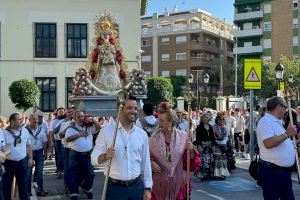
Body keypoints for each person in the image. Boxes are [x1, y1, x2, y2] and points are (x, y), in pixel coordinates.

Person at [91, 96, 152, 200]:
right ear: (120, 109)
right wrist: (105, 156)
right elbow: (93, 158)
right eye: (129, 108)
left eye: (135, 108)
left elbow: (145, 163)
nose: (134, 111)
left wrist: (148, 187)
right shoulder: (107, 132)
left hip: (136, 187)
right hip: (115, 189)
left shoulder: (142, 134)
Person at [149, 102, 200, 200]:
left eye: (162, 121)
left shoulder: (183, 137)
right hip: (158, 187)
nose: (159, 124)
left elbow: (192, 163)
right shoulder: (153, 139)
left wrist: (191, 152)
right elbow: (146, 158)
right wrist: (151, 162)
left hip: (178, 187)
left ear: (170, 122)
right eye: (158, 121)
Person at [256, 96, 297, 200]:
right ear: (279, 106)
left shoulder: (276, 122)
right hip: (272, 171)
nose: (286, 111)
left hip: (282, 172)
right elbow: (268, 143)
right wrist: (287, 134)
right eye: (285, 108)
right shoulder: (266, 121)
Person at [2, 112, 33, 200]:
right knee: (7, 186)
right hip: (8, 163)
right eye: (19, 119)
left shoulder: (25, 131)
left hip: (22, 162)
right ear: (12, 121)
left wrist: (30, 158)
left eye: (21, 119)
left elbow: (28, 145)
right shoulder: (4, 133)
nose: (21, 121)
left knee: (23, 185)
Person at [65, 110, 95, 200]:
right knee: (74, 175)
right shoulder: (71, 128)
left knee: (91, 174)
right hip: (75, 155)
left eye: (82, 116)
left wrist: (92, 120)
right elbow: (67, 139)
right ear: (74, 118)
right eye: (78, 116)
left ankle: (86, 188)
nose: (80, 118)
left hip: (87, 155)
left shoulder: (89, 127)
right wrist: (79, 134)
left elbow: (99, 128)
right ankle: (74, 194)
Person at [25, 114, 48, 196]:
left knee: (39, 172)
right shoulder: (25, 130)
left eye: (36, 119)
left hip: (39, 152)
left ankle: (40, 190)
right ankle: (28, 191)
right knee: (28, 172)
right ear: (29, 120)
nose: (35, 120)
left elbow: (44, 141)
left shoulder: (41, 130)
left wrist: (45, 153)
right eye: (33, 119)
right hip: (28, 153)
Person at [193, 113, 215, 180]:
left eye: (207, 117)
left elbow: (212, 137)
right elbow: (198, 138)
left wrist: (213, 145)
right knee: (203, 160)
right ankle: (202, 175)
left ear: (209, 119)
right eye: (204, 117)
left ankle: (208, 174)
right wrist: (199, 146)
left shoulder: (210, 126)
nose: (205, 119)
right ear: (202, 119)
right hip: (202, 145)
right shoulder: (199, 127)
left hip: (209, 146)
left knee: (209, 160)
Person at [49, 107, 65, 178]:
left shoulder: (66, 120)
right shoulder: (54, 121)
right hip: (58, 141)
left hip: (65, 141)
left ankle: (63, 169)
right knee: (59, 156)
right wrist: (52, 141)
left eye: (62, 112)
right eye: (60, 112)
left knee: (64, 156)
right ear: (57, 113)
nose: (61, 113)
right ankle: (59, 170)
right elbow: (50, 132)